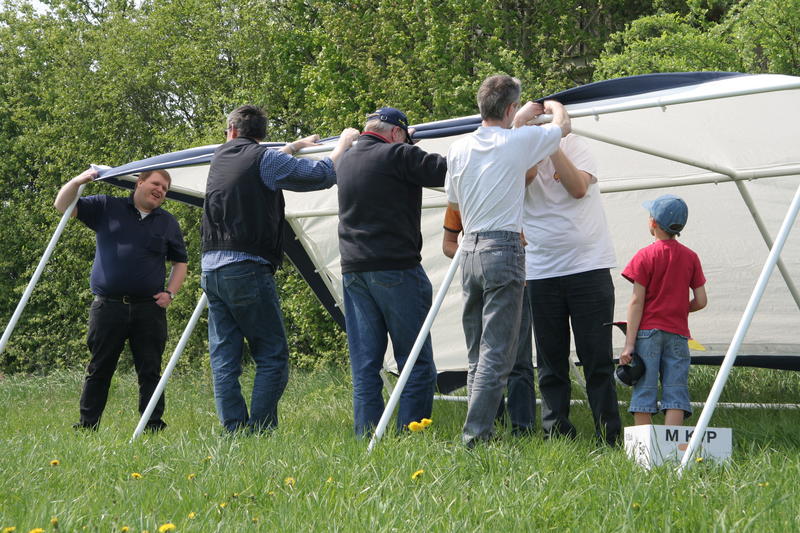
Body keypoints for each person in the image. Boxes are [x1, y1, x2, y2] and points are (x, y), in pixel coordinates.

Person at [201, 105, 358, 433]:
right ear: (262, 135)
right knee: (272, 357)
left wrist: (295, 147)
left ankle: (234, 432)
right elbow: (323, 176)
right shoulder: (264, 159)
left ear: (230, 131)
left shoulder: (219, 157)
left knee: (224, 361)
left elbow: (261, 162)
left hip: (211, 269)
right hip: (246, 268)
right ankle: (258, 433)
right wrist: (343, 142)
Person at [445, 75, 569, 446]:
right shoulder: (520, 141)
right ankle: (475, 436)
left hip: (468, 251)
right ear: (512, 108)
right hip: (503, 249)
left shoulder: (458, 147)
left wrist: (517, 119)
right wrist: (552, 107)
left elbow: (454, 200)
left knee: (475, 354)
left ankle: (479, 429)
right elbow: (562, 128)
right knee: (498, 353)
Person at [336, 107, 447, 436]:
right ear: (397, 133)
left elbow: (332, 160)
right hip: (395, 268)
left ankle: (367, 436)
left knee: (366, 364)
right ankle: (411, 437)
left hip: (353, 270)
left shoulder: (345, 160)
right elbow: (450, 170)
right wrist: (414, 149)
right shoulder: (399, 154)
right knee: (414, 361)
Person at [54, 168, 188, 431]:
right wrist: (79, 180)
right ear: (140, 182)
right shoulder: (107, 206)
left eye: (165, 189)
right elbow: (62, 205)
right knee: (99, 368)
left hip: (149, 310)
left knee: (150, 371)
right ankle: (87, 426)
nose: (161, 191)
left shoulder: (167, 222)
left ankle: (152, 426)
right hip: (108, 306)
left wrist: (170, 293)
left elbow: (180, 262)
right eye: (156, 184)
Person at [522, 114, 622, 445]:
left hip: (589, 268)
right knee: (550, 364)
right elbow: (521, 177)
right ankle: (557, 437)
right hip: (540, 272)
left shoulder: (574, 144)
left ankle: (608, 436)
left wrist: (553, 144)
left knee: (597, 360)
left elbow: (578, 187)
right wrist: (531, 143)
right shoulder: (518, 152)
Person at [442, 205, 536, 435]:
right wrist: (478, 254)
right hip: (481, 282)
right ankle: (490, 425)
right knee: (483, 358)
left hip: (518, 284)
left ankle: (522, 429)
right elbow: (448, 244)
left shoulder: (515, 197)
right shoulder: (462, 200)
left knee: (518, 360)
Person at [619, 194, 707, 426]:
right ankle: (673, 451)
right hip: (678, 334)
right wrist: (680, 310)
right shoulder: (691, 257)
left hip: (648, 333)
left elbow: (636, 302)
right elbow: (701, 300)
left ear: (652, 223)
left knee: (644, 390)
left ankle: (644, 454)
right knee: (676, 392)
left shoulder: (644, 256)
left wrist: (629, 344)